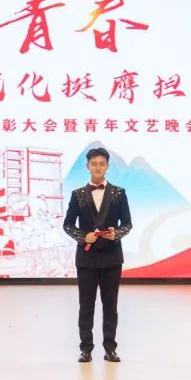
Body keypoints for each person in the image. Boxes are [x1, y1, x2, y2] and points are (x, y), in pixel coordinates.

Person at [63, 147, 133, 363]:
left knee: (110, 306)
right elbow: (67, 225)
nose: (98, 167)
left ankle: (110, 348)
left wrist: (116, 233)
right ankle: (86, 349)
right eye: (94, 164)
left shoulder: (119, 193)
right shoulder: (77, 194)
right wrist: (83, 236)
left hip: (112, 258)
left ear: (108, 166)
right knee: (86, 306)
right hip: (86, 259)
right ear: (87, 166)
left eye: (102, 164)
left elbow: (127, 224)